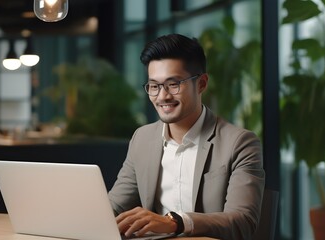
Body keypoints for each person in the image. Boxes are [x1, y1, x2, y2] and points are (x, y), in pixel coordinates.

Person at [108, 34, 265, 240]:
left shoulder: (240, 143)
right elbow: (114, 207)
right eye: (154, 86)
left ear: (201, 84)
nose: (162, 96)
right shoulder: (142, 138)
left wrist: (174, 222)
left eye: (173, 84)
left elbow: (242, 222)